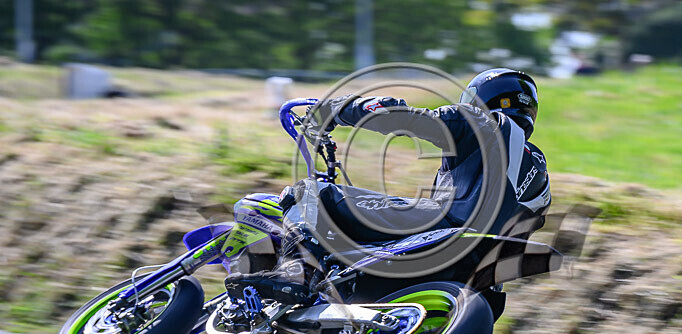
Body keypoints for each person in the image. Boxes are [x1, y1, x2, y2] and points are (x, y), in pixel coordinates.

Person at [225, 68, 551, 304]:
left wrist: (333, 112)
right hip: (481, 271)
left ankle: (294, 274)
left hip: (444, 228)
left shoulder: (480, 121)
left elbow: (399, 116)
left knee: (308, 192)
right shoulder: (540, 172)